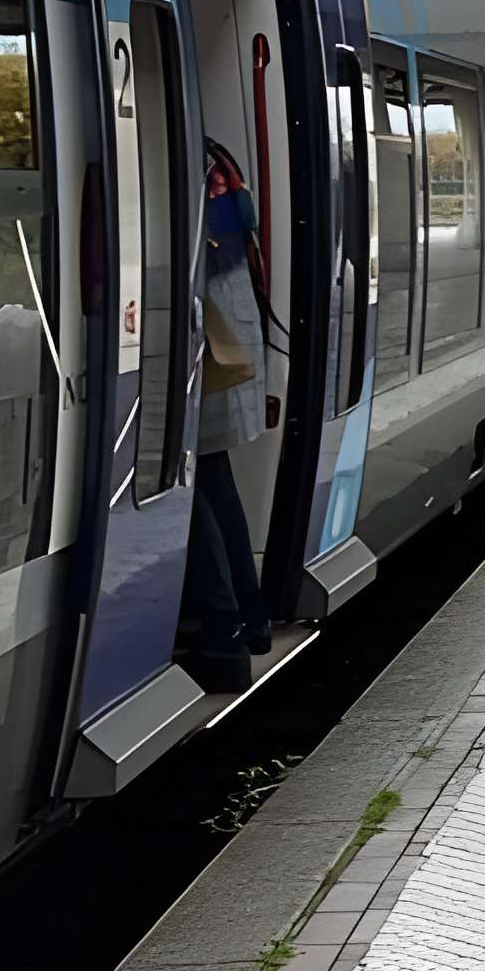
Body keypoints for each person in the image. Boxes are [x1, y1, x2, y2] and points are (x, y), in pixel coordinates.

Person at [179, 143, 271, 689]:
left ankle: (224, 631)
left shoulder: (188, 156)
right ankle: (248, 621)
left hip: (202, 343)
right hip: (225, 336)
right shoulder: (217, 162)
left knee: (187, 485)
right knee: (212, 479)